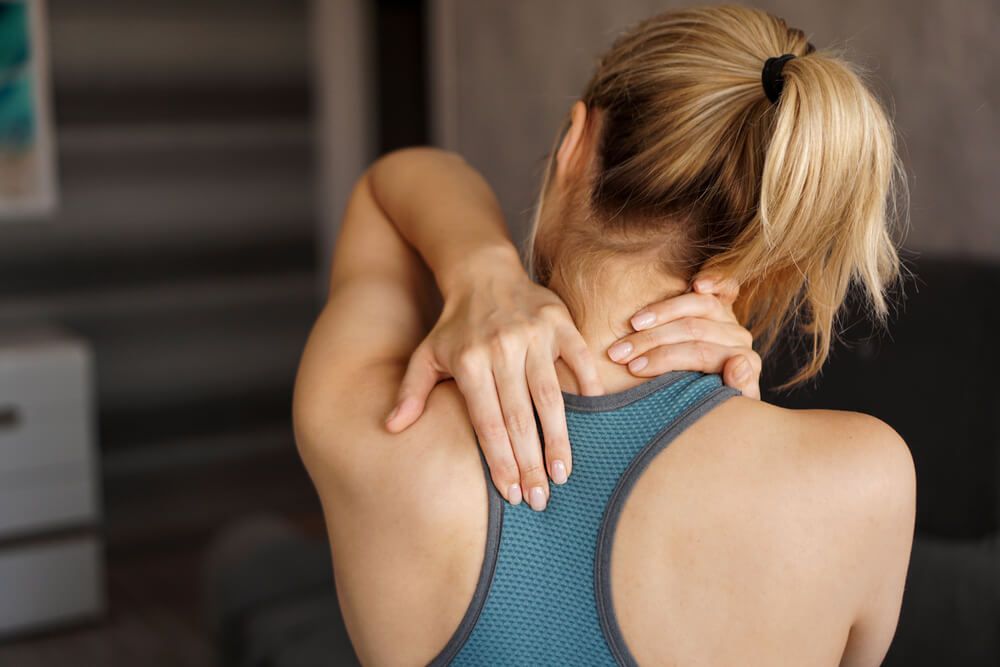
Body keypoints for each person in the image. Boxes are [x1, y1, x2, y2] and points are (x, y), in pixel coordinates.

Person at [293, 6, 916, 665]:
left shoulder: (375, 425)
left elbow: (387, 187)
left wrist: (480, 265)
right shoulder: (866, 481)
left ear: (575, 143)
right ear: (764, 249)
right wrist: (739, 422)